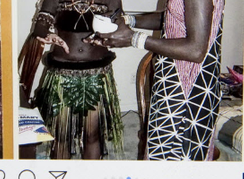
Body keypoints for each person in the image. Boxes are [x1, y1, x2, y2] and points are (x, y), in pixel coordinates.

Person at [88, 0, 225, 161]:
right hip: (173, 83)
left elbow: (195, 51)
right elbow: (172, 18)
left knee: (171, 167)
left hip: (186, 93)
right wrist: (127, 20)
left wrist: (133, 39)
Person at [19, 0, 124, 160]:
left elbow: (121, 28)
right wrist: (49, 35)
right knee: (61, 136)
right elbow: (39, 27)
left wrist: (109, 37)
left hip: (96, 75)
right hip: (62, 74)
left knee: (92, 134)